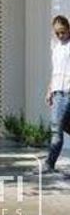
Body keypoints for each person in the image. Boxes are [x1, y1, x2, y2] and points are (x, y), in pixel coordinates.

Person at [46, 14, 70, 172]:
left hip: (67, 92)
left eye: (63, 32)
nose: (60, 35)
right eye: (57, 33)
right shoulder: (55, 47)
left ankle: (49, 163)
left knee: (56, 129)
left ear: (69, 29)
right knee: (64, 126)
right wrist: (49, 90)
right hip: (57, 92)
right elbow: (56, 71)